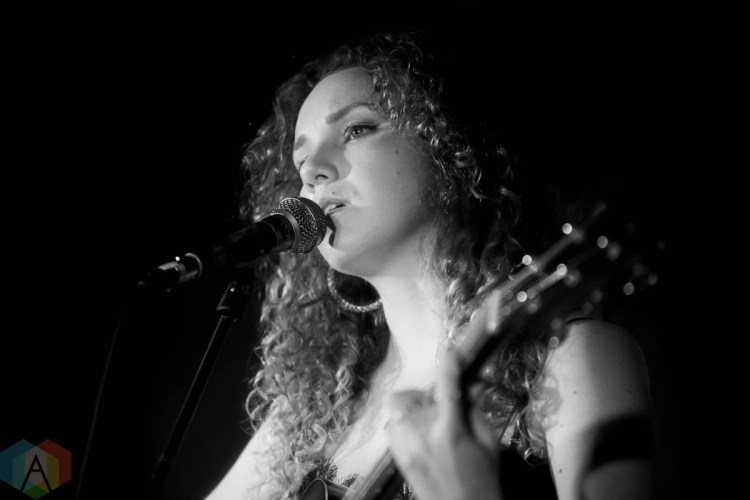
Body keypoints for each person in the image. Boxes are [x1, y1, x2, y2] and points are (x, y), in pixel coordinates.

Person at [205, 30, 656, 500]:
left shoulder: (570, 360)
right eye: (301, 162)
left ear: (447, 147)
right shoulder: (312, 408)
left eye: (357, 130)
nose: (314, 170)